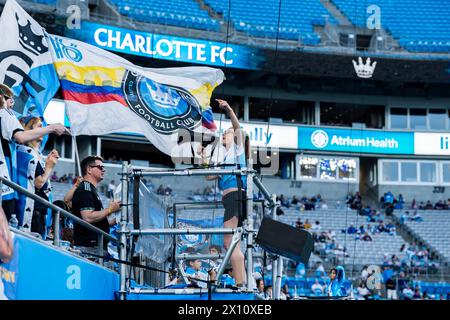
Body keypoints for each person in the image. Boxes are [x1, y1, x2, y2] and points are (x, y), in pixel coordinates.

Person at [199, 99, 249, 287]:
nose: (225, 135)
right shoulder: (222, 157)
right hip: (232, 198)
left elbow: (237, 129)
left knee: (230, 241)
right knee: (233, 241)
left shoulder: (237, 150)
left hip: (235, 196)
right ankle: (242, 280)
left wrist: (229, 109)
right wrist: (204, 159)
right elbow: (209, 177)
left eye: (227, 133)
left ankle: (240, 282)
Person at [0, 84, 68, 220]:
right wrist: (52, 128)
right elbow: (21, 136)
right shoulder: (3, 112)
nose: (12, 104)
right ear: (2, 98)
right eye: (9, 99)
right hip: (4, 187)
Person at [16, 116, 59, 238]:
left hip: (39, 210)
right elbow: (38, 183)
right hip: (30, 211)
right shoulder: (24, 151)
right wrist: (50, 166)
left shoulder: (38, 154)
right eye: (39, 126)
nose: (43, 130)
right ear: (29, 129)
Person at [71, 156, 121, 250]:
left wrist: (115, 221)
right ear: (89, 169)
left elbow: (97, 222)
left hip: (94, 246)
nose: (104, 170)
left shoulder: (90, 189)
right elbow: (88, 217)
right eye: (100, 167)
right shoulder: (86, 188)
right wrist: (110, 209)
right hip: (89, 247)